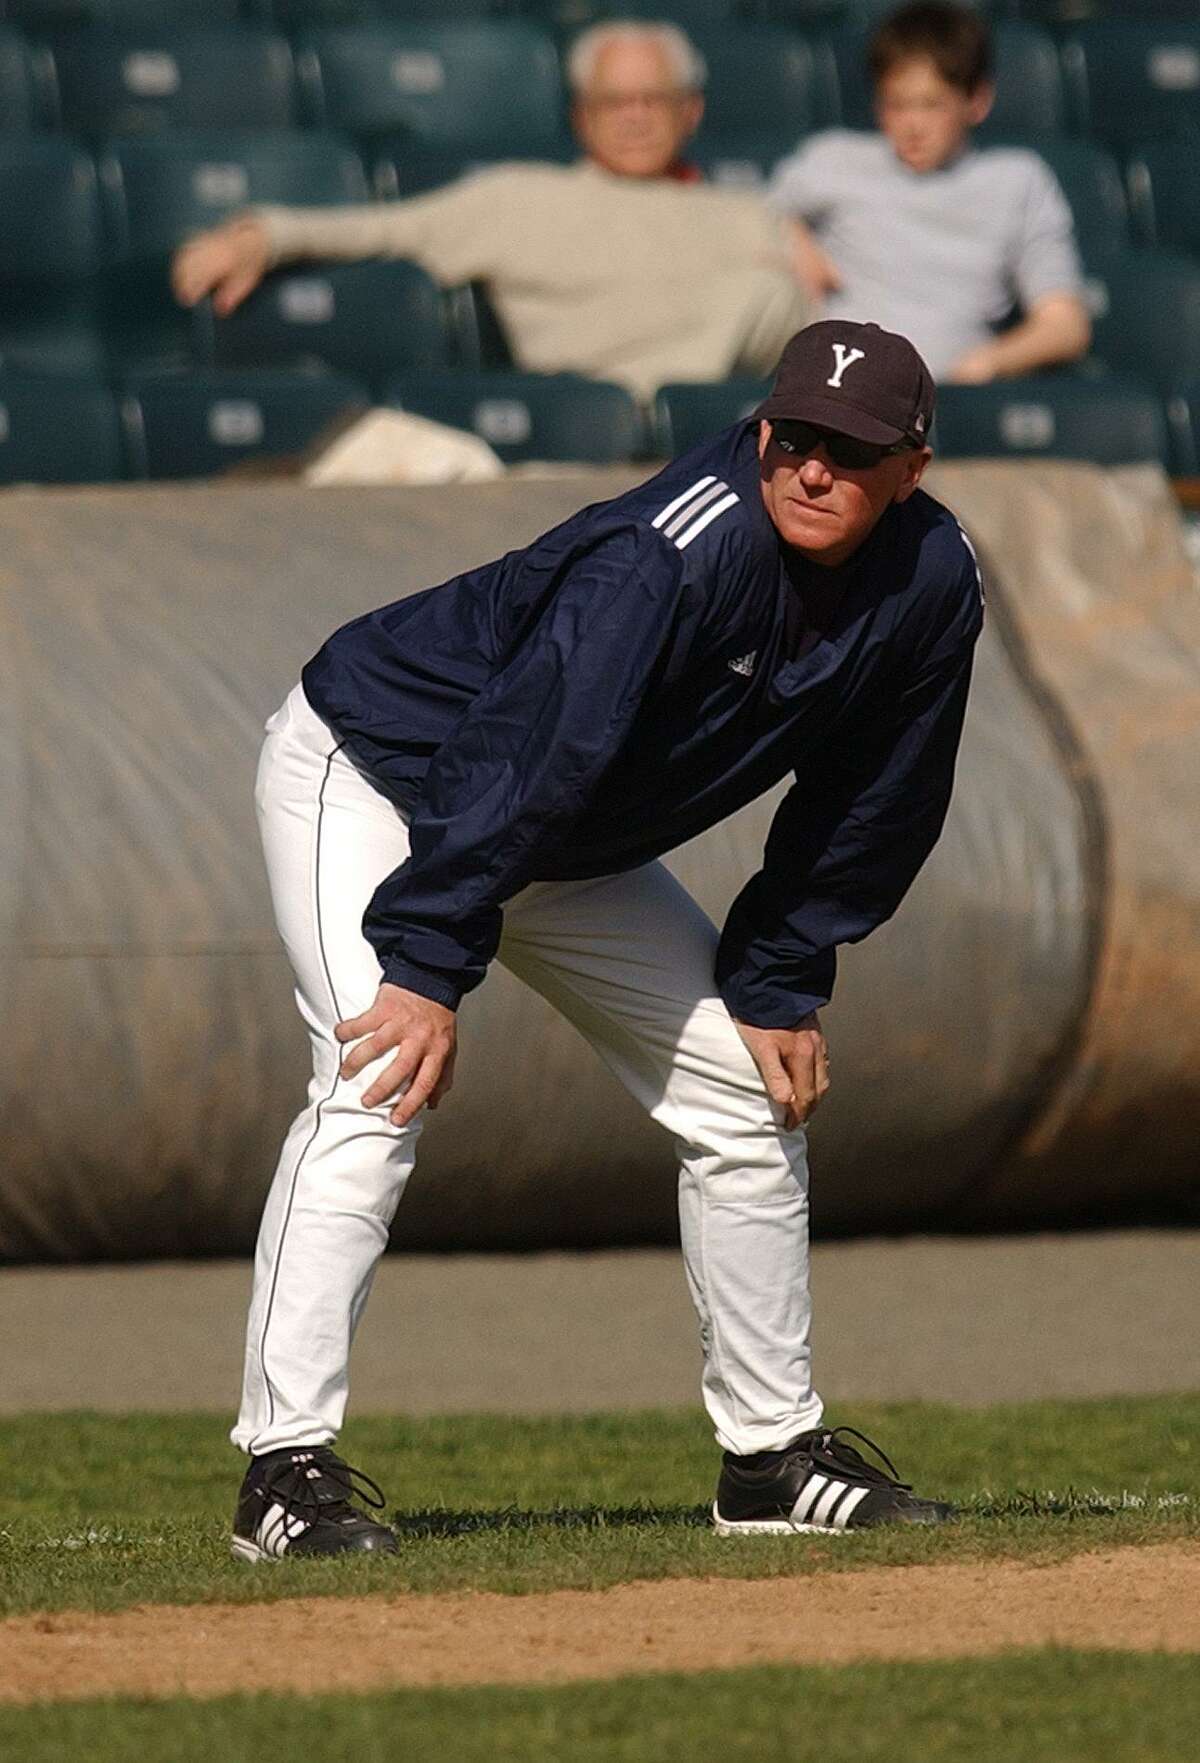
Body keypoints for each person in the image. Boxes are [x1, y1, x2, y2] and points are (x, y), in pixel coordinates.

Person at [230, 317, 984, 1559]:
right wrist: (427, 959)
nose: (810, 469)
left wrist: (781, 974)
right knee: (376, 1083)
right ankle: (281, 1469)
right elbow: (532, 743)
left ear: (913, 464)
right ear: (761, 431)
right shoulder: (669, 555)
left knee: (747, 1097)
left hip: (551, 827)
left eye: (848, 452)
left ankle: (769, 1457)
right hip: (379, 777)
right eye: (792, 436)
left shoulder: (934, 577)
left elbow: (881, 793)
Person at [170, 21, 810, 404]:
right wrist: (267, 235)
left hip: (724, 444)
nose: (636, 116)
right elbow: (384, 230)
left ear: (690, 111)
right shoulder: (517, 198)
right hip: (583, 431)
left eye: (654, 98)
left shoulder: (746, 214)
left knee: (774, 292)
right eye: (614, 101)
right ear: (580, 115)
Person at [769, 1, 1091, 384]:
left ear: (977, 101)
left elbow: (1065, 325)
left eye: (931, 104)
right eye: (897, 104)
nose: (912, 125)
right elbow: (742, 219)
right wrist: (792, 239)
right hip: (844, 392)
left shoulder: (1018, 181)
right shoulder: (832, 160)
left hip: (951, 398)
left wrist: (990, 362)